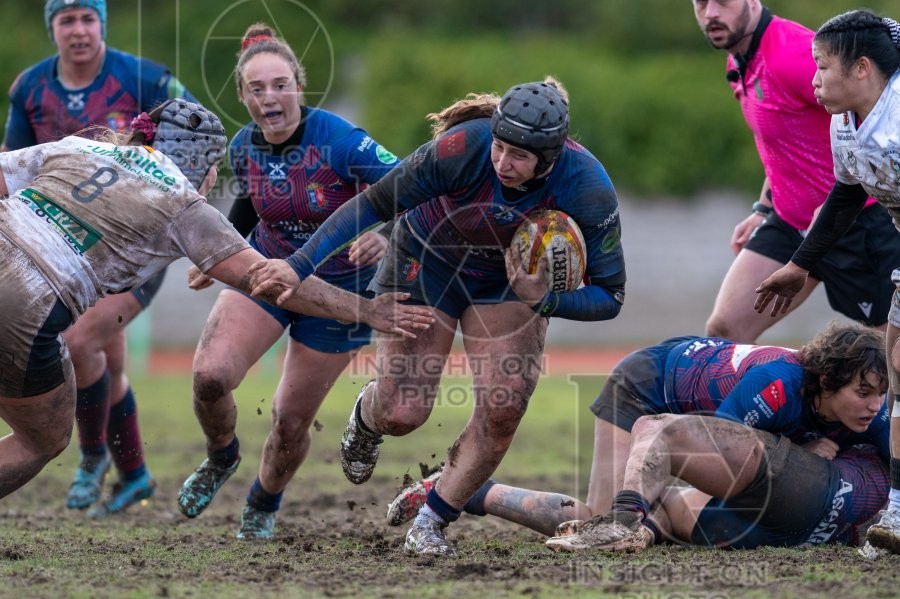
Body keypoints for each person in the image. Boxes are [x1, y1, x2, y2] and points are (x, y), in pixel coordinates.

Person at [248, 77, 627, 556]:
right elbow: (372, 204)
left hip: (506, 283)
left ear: (550, 159)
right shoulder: (462, 149)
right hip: (427, 258)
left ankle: (431, 521)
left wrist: (542, 299)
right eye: (500, 147)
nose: (503, 164)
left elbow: (611, 296)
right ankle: (369, 415)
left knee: (504, 408)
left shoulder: (587, 188)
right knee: (402, 412)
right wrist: (298, 266)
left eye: (519, 156)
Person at [0, 98, 433, 506]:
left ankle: (230, 470)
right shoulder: (181, 202)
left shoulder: (80, 147)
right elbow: (271, 281)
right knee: (45, 438)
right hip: (27, 304)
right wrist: (366, 309)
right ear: (206, 169)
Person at [175, 24, 401, 540]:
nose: (270, 98)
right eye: (257, 89)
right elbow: (251, 205)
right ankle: (221, 456)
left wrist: (387, 234)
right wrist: (218, 254)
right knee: (210, 377)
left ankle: (263, 500)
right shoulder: (243, 146)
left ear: (299, 86)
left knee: (289, 421)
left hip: (341, 299)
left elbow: (412, 183)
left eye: (280, 85)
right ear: (243, 95)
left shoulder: (341, 140)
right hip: (271, 276)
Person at [388, 323, 890, 552]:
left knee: (593, 521)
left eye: (878, 394)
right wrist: (662, 518)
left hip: (687, 393)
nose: (873, 405)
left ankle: (472, 492)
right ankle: (457, 493)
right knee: (606, 521)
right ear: (825, 383)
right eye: (862, 392)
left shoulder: (857, 404)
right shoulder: (777, 384)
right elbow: (727, 460)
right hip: (644, 388)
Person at [2, 0, 196, 516]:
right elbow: (11, 169)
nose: (79, 30)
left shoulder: (146, 78)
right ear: (53, 29)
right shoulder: (29, 88)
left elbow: (200, 134)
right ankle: (134, 474)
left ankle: (91, 457)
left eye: (89, 18)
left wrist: (190, 193)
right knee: (106, 362)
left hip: (131, 247)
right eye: (67, 20)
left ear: (102, 25)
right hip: (64, 249)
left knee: (79, 340)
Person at [754, 10, 900, 555]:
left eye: (822, 66)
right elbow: (844, 197)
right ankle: (898, 516)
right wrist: (800, 263)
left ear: (861, 68)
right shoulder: (846, 122)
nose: (813, 78)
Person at [693, 0, 900, 343]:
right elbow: (782, 143)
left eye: (723, 1)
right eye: (701, 3)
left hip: (854, 224)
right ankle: (761, 398)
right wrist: (762, 208)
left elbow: (874, 103)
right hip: (792, 220)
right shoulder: (740, 61)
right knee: (725, 330)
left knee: (882, 356)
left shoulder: (794, 54)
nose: (711, 12)